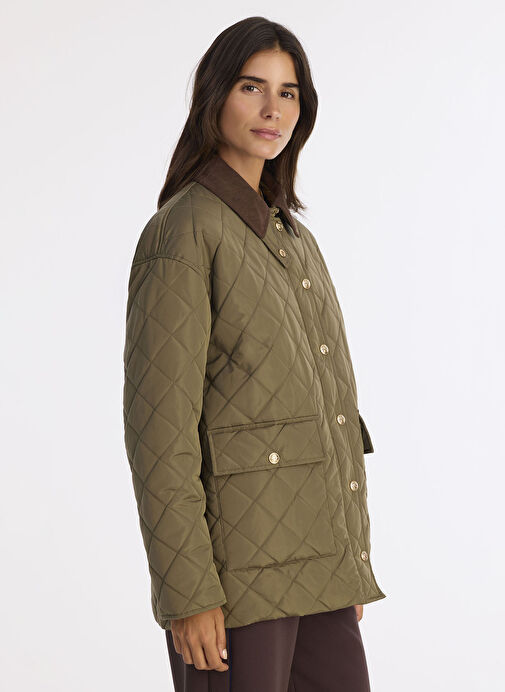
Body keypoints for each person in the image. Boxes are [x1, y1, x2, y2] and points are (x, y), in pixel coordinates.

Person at [122, 15, 386, 692]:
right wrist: (187, 592)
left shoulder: (293, 239)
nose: (273, 109)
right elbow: (160, 434)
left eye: (288, 93)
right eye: (252, 87)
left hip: (319, 570)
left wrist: (347, 558)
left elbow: (330, 410)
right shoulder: (183, 232)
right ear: (214, 97)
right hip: (235, 583)